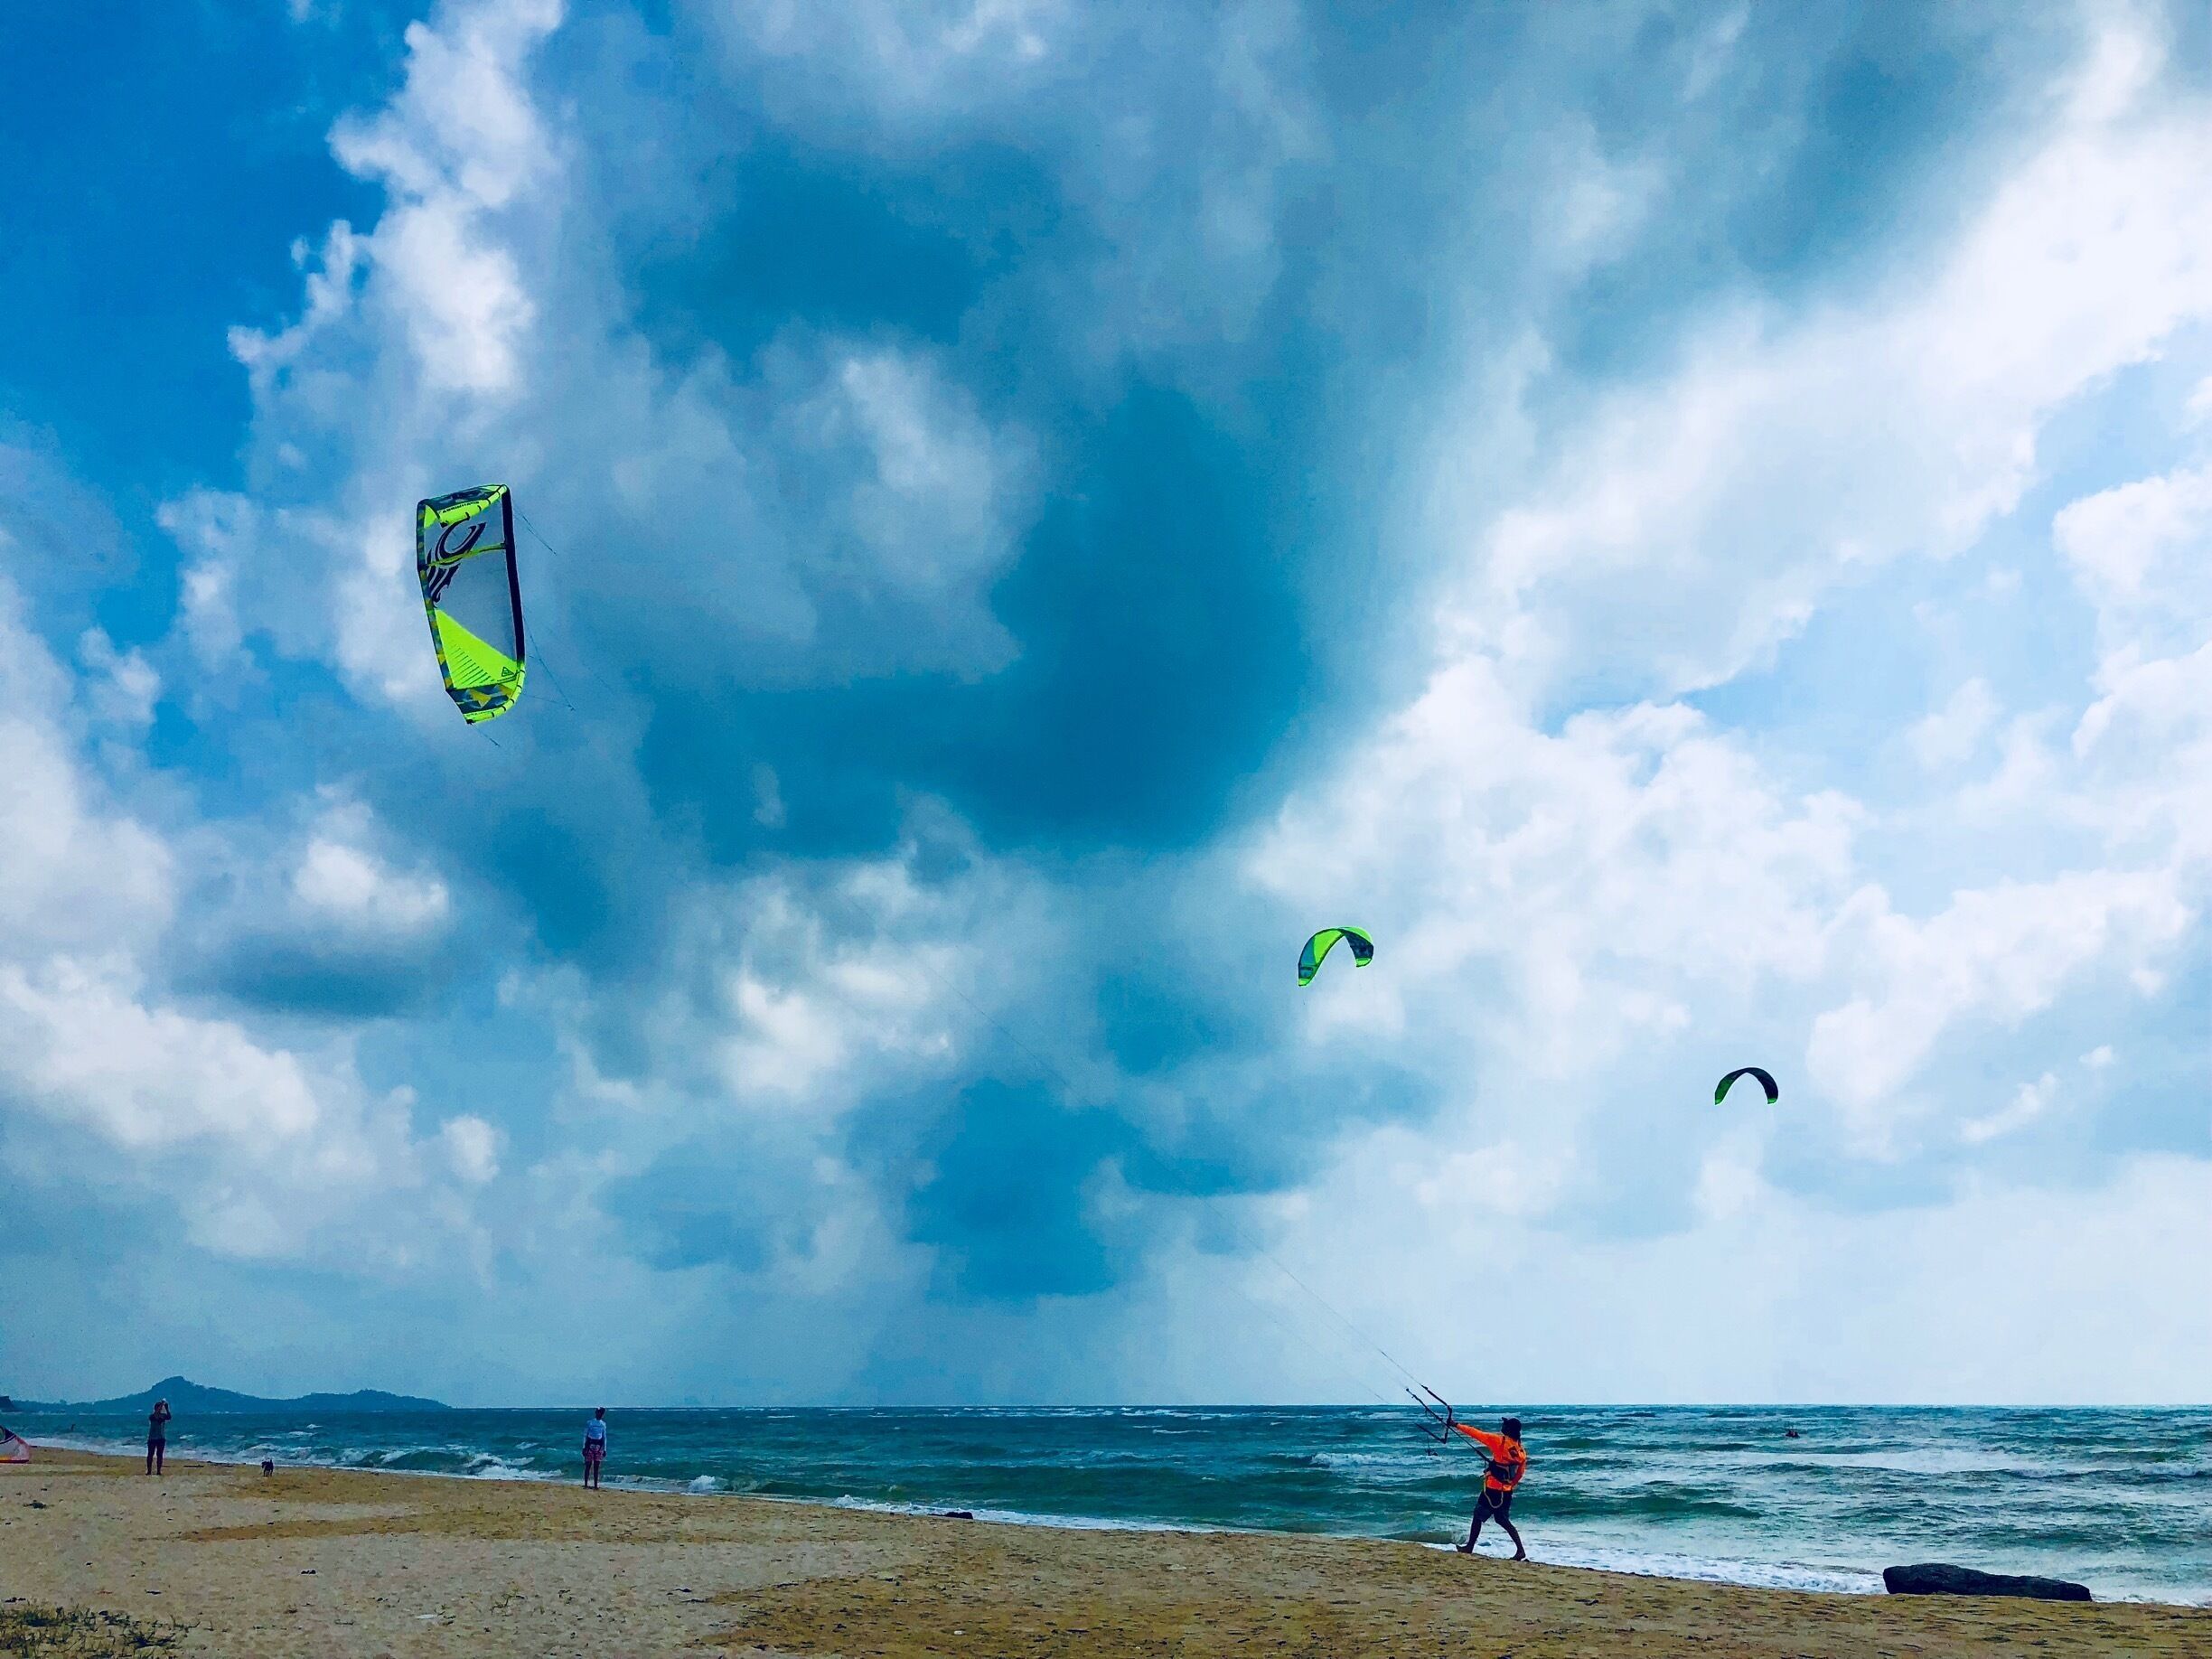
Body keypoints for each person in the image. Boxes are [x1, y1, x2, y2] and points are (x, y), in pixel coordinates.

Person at [1450, 1414, 1528, 1561]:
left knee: (1478, 1515)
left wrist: (1456, 1425)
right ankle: (1520, 1550)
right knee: (1502, 1519)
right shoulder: (1520, 1450)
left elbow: (1476, 1434)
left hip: (1492, 1489)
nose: (1502, 1426)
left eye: (1505, 1425)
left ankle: (1469, 1547)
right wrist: (1510, 1485)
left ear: (1508, 1429)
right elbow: (1519, 1473)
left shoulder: (1499, 1441)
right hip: (1506, 1492)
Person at [582, 1407, 607, 1489]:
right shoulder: (590, 1423)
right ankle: (586, 1484)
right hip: (590, 1445)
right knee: (588, 1465)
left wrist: (604, 1449)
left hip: (599, 1446)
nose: (601, 1415)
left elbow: (604, 1437)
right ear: (596, 1413)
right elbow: (585, 1435)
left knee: (597, 1466)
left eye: (602, 1413)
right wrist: (584, 1447)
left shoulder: (603, 1424)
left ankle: (596, 1485)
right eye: (599, 1413)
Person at [145, 1399, 172, 1476]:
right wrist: (162, 1405)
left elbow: (169, 1417)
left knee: (159, 1455)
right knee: (150, 1454)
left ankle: (158, 1471)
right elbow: (156, 1415)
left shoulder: (163, 1416)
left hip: (161, 1438)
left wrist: (167, 1408)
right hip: (152, 1438)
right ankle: (149, 1470)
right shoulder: (152, 1416)